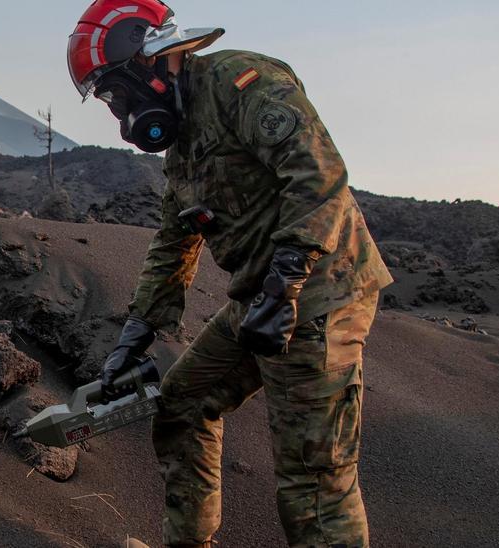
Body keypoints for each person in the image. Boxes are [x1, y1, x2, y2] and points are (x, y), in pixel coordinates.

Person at [66, 1, 395, 547]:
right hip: (260, 296)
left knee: (314, 480)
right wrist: (137, 332)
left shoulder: (243, 83)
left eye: (115, 92)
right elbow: (176, 238)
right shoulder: (183, 143)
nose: (116, 110)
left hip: (319, 292)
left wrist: (287, 280)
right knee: (184, 404)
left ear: (149, 59)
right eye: (106, 99)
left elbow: (319, 176)